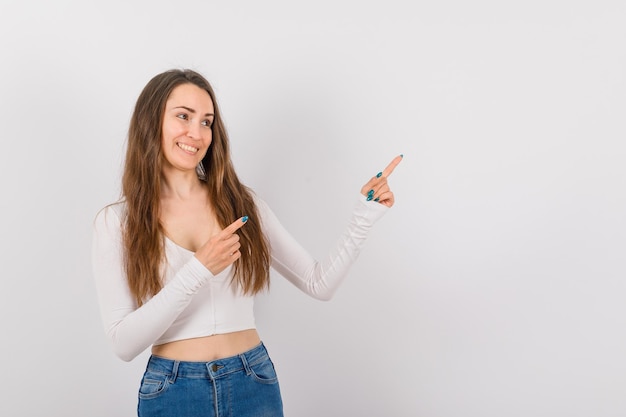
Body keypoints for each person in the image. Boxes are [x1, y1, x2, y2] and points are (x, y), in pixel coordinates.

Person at [92, 68, 402, 417]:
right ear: (151, 122)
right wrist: (198, 269)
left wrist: (364, 216)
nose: (196, 133)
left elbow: (320, 284)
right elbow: (123, 343)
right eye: (183, 116)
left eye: (207, 122)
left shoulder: (241, 204)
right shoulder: (118, 222)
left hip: (251, 383)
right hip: (173, 391)